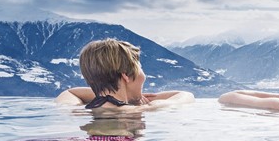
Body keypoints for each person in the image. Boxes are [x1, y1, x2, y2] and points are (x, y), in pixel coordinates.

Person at [56, 38, 194, 109]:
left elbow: (70, 92)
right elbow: (185, 96)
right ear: (125, 76)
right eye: (140, 67)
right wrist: (151, 102)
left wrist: (119, 94)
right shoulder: (138, 111)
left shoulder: (77, 109)